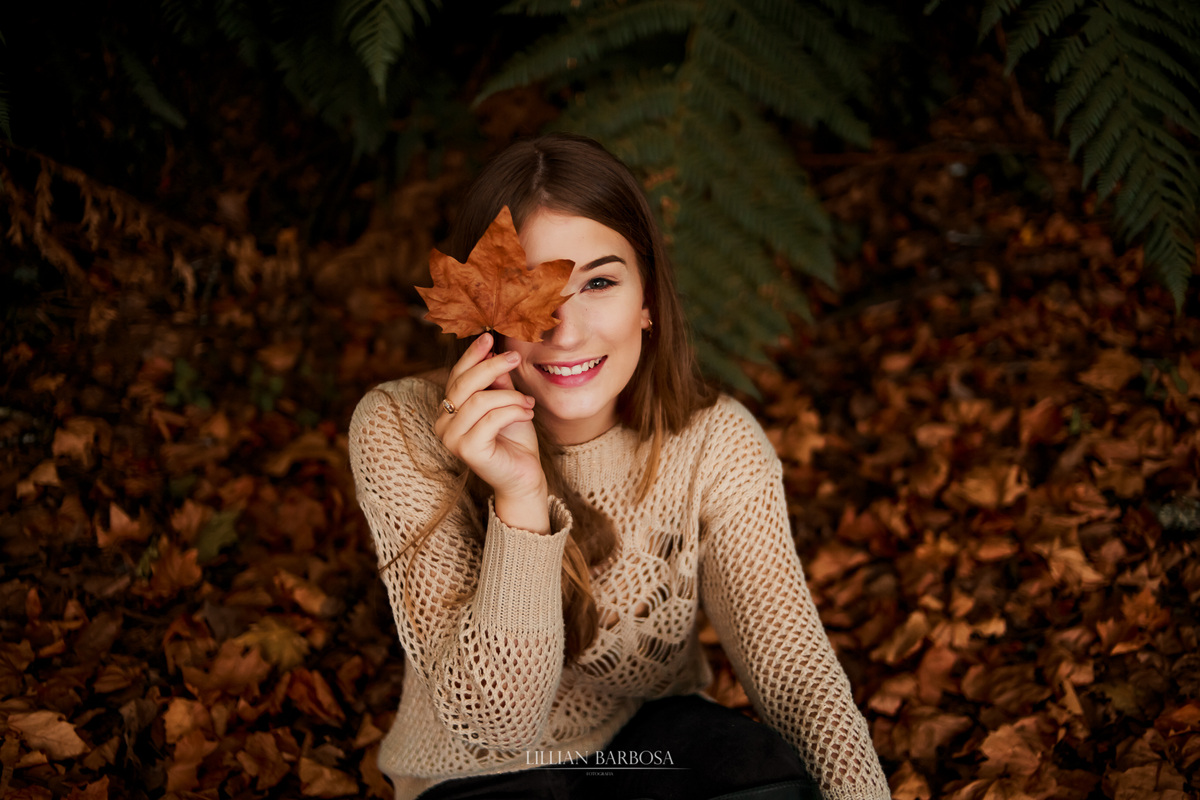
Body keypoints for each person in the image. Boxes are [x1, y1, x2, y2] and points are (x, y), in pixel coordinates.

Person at [348, 133, 890, 800]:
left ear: (647, 300)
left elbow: (793, 672)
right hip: (482, 777)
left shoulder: (713, 439)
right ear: (483, 311)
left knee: (769, 781)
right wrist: (520, 495)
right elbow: (497, 724)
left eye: (599, 282)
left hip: (651, 751)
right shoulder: (401, 427)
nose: (568, 331)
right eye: (528, 289)